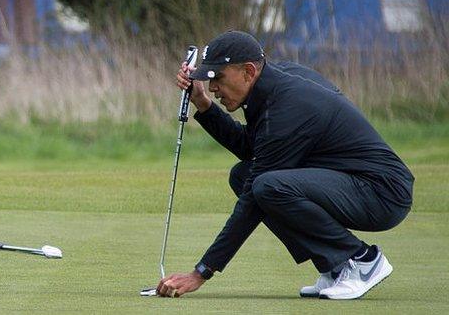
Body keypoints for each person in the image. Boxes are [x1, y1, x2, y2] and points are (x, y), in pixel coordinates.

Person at [155, 31, 413, 300]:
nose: (213, 88)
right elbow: (251, 148)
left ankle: (361, 260)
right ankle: (335, 267)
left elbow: (254, 198)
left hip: (381, 193)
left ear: (248, 71)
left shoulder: (288, 106)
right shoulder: (273, 85)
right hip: (351, 181)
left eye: (217, 78)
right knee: (243, 176)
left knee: (265, 186)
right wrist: (204, 105)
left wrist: (201, 272)